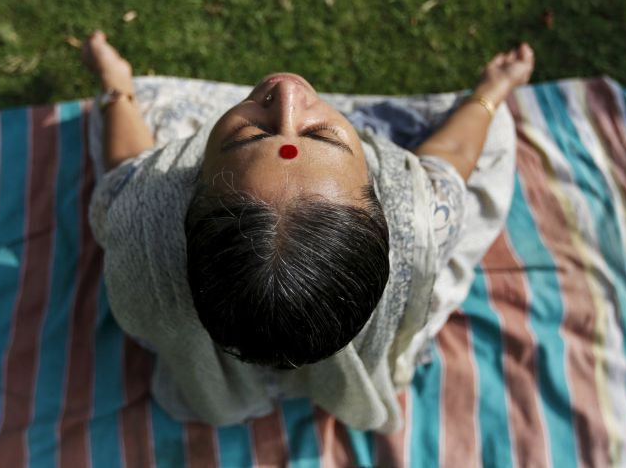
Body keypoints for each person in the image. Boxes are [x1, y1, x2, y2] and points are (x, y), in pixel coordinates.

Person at [83, 31, 534, 432]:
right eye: (324, 138)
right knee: (493, 133)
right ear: (380, 199)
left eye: (246, 139)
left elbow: (125, 159)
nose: (288, 94)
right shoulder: (422, 214)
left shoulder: (138, 206)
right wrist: (491, 94)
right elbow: (453, 150)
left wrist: (117, 89)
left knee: (140, 102)